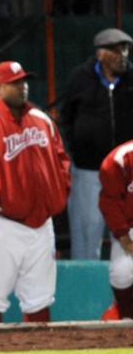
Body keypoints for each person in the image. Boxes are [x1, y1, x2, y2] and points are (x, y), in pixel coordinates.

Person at [0, 61, 71, 325]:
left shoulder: (42, 119)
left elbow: (62, 159)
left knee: (40, 297)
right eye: (15, 83)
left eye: (24, 81)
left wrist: (58, 194)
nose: (23, 87)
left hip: (41, 223)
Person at [60, 28, 133, 260]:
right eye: (116, 50)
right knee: (86, 234)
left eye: (125, 49)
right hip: (89, 171)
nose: (123, 55)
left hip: (127, 173)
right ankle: (84, 292)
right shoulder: (80, 78)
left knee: (126, 235)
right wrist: (77, 151)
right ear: (101, 54)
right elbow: (67, 117)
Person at [98, 140, 133, 319]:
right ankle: (126, 318)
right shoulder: (120, 159)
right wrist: (124, 237)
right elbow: (110, 202)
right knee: (121, 271)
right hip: (129, 226)